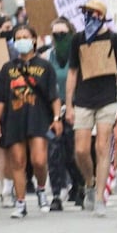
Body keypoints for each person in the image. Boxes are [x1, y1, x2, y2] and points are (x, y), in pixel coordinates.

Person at [64, 0, 117, 216]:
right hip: (83, 99)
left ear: (100, 15)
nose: (88, 16)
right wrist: (69, 104)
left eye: (92, 13)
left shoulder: (113, 38)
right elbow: (72, 72)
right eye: (85, 12)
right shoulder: (78, 39)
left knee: (102, 146)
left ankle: (100, 197)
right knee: (80, 150)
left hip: (107, 99)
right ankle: (89, 182)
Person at [0, 25, 61, 219]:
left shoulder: (45, 66)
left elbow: (54, 96)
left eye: (25, 36)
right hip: (14, 120)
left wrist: (56, 118)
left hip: (38, 118)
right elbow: (0, 98)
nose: (22, 40)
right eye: (18, 37)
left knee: (39, 160)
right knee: (18, 162)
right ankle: (21, 202)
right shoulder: (8, 68)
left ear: (34, 40)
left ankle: (40, 188)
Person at [40, 18, 84, 211]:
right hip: (54, 110)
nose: (59, 38)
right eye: (55, 34)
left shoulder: (80, 55)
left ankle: (80, 185)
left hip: (76, 107)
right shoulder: (47, 56)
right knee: (55, 151)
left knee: (74, 152)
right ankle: (57, 193)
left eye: (63, 34)